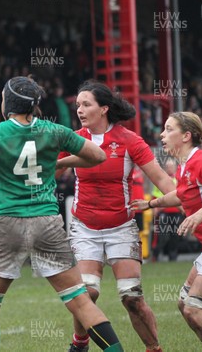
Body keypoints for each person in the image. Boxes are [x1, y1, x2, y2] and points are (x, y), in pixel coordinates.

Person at [0, 77, 123, 352]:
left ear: (7, 102)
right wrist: (62, 161)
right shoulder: (55, 131)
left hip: (6, 224)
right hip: (47, 223)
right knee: (80, 302)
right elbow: (99, 156)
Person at [59, 80, 175, 352]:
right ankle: (80, 343)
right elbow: (48, 175)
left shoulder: (130, 140)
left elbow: (162, 179)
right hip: (84, 228)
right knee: (87, 293)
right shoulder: (74, 139)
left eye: (86, 104)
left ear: (104, 109)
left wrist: (193, 203)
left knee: (131, 298)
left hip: (121, 228)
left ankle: (153, 348)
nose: (80, 110)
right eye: (77, 105)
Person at [131, 112, 202, 350]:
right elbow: (182, 194)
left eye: (168, 129)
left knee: (194, 308)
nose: (162, 134)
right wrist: (152, 203)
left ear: (186, 136)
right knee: (185, 304)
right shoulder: (184, 167)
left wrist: (201, 213)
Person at [151, 158, 184, 262]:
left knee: (175, 235)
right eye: (168, 166)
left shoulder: (179, 180)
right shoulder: (161, 180)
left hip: (176, 212)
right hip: (163, 212)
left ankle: (173, 257)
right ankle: (156, 255)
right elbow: (154, 195)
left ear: (175, 167)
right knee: (162, 235)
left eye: (171, 166)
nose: (170, 168)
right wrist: (155, 208)